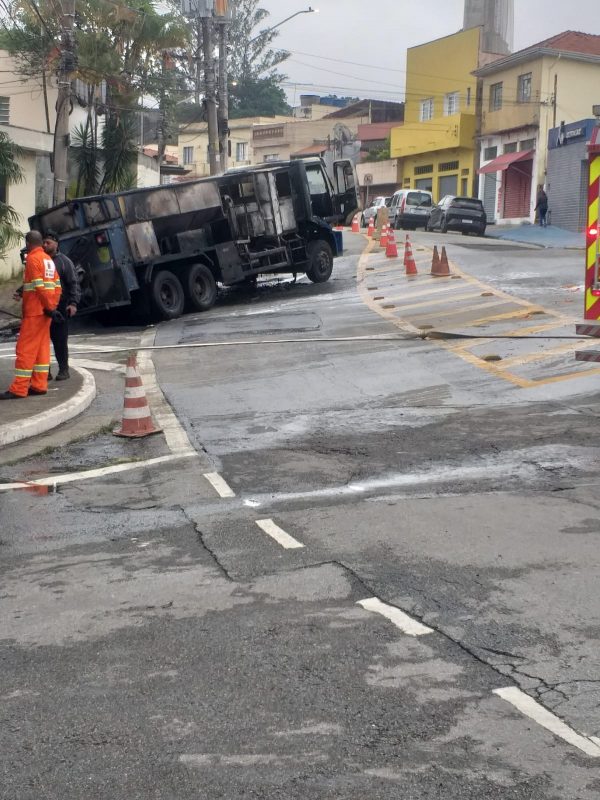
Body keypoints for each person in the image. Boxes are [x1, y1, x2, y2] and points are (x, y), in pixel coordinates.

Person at [1, 231, 62, 400]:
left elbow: (39, 287)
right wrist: (52, 308)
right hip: (45, 313)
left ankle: (19, 388)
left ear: (28, 243)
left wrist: (48, 307)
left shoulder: (33, 260)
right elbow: (57, 286)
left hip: (35, 312)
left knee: (25, 349)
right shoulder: (48, 260)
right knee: (41, 348)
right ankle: (39, 384)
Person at [42, 231, 80, 380]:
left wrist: (73, 303)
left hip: (60, 308)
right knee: (42, 342)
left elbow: (74, 284)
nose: (45, 245)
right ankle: (44, 373)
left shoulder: (64, 262)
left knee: (59, 341)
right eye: (43, 243)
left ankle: (64, 370)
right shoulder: (41, 261)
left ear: (56, 244)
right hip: (43, 309)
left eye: (48, 243)